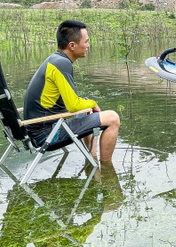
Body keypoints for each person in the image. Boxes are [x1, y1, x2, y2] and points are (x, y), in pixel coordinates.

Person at [23, 20, 119, 161]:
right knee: (113, 118)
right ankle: (106, 169)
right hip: (47, 135)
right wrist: (93, 103)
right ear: (72, 45)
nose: (88, 45)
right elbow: (73, 106)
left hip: (39, 130)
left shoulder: (55, 59)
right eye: (85, 42)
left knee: (86, 107)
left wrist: (88, 104)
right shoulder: (61, 63)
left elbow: (71, 102)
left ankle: (92, 157)